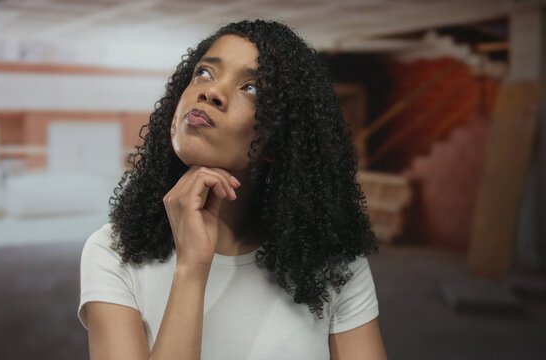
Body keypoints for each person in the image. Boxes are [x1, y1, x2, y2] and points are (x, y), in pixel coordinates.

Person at [78, 19, 387, 360]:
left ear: (277, 141)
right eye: (205, 73)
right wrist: (191, 269)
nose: (210, 92)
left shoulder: (333, 261)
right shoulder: (112, 253)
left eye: (251, 88)